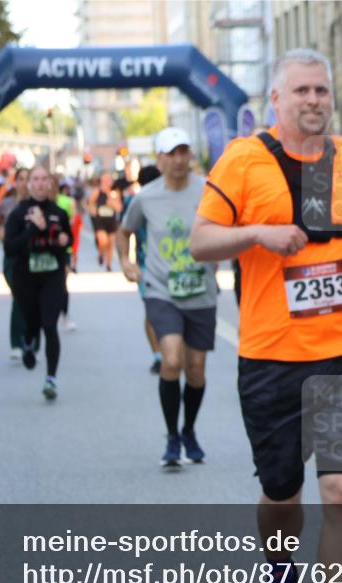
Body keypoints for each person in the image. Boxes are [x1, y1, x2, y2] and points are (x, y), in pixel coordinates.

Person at [189, 48, 342, 583]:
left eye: (321, 91)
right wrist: (256, 234)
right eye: (301, 90)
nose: (313, 101)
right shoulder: (245, 160)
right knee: (283, 493)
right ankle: (280, 578)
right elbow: (200, 242)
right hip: (272, 357)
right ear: (275, 101)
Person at [119, 128, 215, 469]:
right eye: (171, 153)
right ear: (159, 160)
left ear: (190, 156)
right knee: (172, 360)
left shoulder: (208, 193)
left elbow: (228, 225)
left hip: (201, 290)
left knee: (197, 369)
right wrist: (126, 262)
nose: (178, 160)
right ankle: (172, 436)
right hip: (161, 289)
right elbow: (125, 230)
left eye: (183, 152)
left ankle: (188, 430)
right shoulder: (146, 197)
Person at [3, 165, 73, 400]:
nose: (41, 183)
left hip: (52, 275)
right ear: (29, 184)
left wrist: (62, 241)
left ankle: (50, 378)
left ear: (51, 183)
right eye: (36, 179)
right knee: (32, 322)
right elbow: (10, 248)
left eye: (45, 179)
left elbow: (67, 240)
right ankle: (29, 341)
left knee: (50, 325)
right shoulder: (18, 213)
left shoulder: (58, 212)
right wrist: (33, 228)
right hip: (25, 277)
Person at [128, 164, 165, 374]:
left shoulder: (135, 201)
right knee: (154, 309)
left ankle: (159, 353)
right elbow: (126, 231)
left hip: (150, 266)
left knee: (152, 311)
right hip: (149, 266)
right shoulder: (138, 203)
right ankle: (161, 355)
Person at [0, 167, 31, 360]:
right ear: (16, 182)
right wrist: (0, 233)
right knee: (19, 295)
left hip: (32, 258)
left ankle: (29, 340)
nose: (24, 183)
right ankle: (17, 342)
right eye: (21, 179)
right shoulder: (7, 204)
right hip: (12, 258)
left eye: (27, 179)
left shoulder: (37, 205)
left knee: (30, 299)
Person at [86, 171, 121, 270]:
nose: (106, 182)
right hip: (100, 220)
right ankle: (101, 253)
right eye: (104, 180)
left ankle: (109, 265)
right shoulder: (97, 192)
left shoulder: (114, 193)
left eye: (108, 180)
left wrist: (111, 199)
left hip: (111, 220)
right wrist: (93, 210)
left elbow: (119, 208)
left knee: (111, 242)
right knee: (103, 240)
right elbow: (90, 204)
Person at [56, 182, 78, 332]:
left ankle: (65, 316)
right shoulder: (38, 204)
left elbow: (71, 222)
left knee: (62, 284)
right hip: (43, 253)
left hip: (63, 250)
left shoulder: (66, 203)